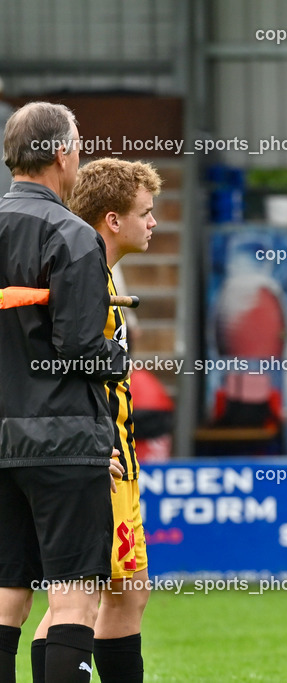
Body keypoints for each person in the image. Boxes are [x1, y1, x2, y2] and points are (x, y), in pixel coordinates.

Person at [0, 102, 129, 683]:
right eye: (77, 143)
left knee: (6, 602)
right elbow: (79, 348)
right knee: (74, 601)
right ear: (60, 152)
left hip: (3, 440)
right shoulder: (72, 235)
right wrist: (120, 357)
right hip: (63, 440)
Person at [32, 159, 162, 683]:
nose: (153, 222)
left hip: (117, 456)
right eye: (145, 213)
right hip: (96, 457)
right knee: (73, 604)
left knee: (127, 593)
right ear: (112, 220)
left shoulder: (102, 274)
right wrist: (85, 438)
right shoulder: (82, 279)